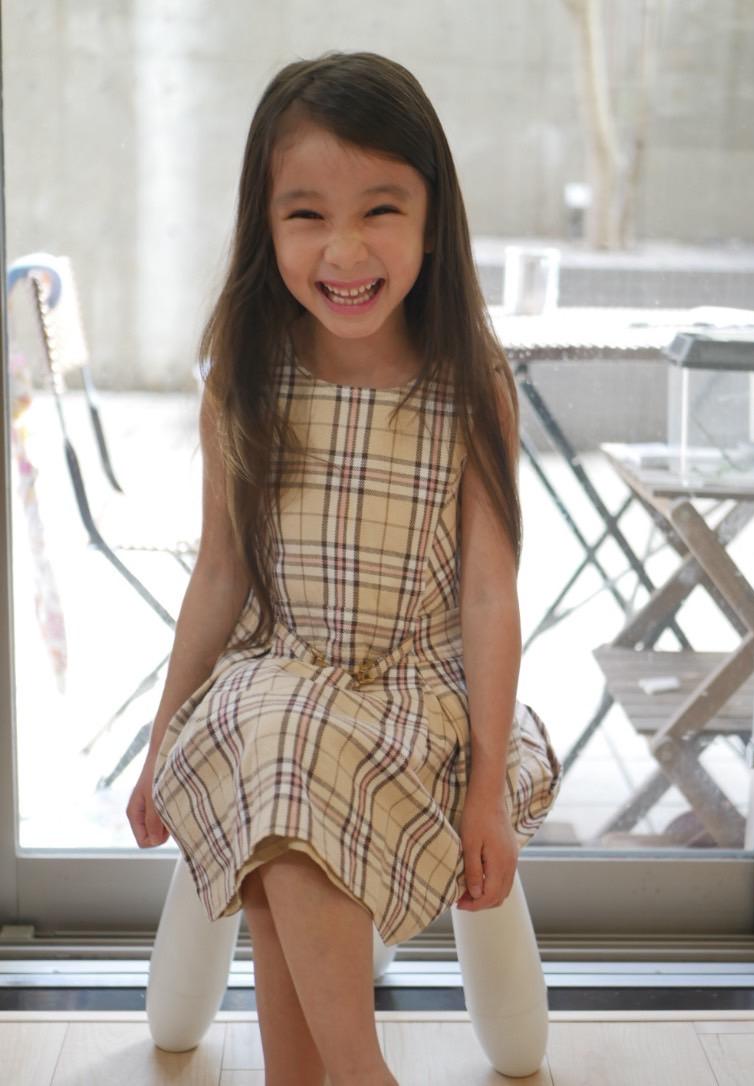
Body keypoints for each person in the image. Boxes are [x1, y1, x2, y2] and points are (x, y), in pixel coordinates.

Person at [126, 49, 562, 1086]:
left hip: (417, 699)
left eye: (380, 210)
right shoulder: (248, 374)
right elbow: (221, 574)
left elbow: (489, 591)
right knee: (279, 735)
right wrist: (159, 737)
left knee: (284, 761)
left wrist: (488, 787)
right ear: (265, 224)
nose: (345, 248)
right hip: (279, 679)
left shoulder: (468, 383)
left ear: (433, 220)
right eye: (307, 215)